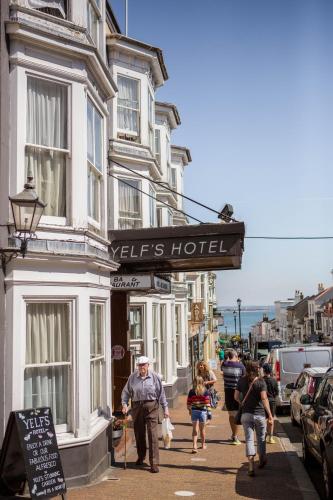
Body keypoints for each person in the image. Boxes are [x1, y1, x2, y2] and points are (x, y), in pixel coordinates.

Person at [121, 356, 169, 473]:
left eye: (144, 365)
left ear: (148, 365)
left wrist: (166, 408)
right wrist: (124, 404)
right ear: (137, 366)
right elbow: (126, 392)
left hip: (152, 407)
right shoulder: (132, 378)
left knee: (152, 435)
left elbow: (161, 394)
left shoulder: (155, 377)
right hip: (137, 407)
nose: (142, 367)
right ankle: (141, 456)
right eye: (140, 365)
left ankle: (154, 463)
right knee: (139, 433)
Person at [234, 361, 273, 476]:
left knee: (249, 439)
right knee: (261, 438)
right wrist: (270, 414)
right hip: (260, 414)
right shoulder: (261, 382)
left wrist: (242, 402)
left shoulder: (241, 381)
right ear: (257, 369)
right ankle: (261, 460)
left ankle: (251, 467)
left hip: (246, 414)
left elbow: (235, 396)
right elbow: (264, 399)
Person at [221, 349, 245, 444]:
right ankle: (235, 437)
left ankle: (233, 434)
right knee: (237, 414)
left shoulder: (224, 365)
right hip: (237, 392)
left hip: (227, 392)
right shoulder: (241, 366)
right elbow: (244, 379)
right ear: (236, 356)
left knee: (231, 414)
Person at [187, 376, 210, 453]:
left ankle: (194, 446)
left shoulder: (191, 391)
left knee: (194, 429)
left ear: (194, 382)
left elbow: (188, 403)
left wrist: (190, 410)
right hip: (203, 412)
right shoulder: (205, 391)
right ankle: (203, 445)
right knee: (202, 430)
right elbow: (207, 403)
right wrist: (209, 414)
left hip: (194, 411)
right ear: (202, 382)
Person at [262, 363, 278, 444]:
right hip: (272, 401)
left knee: (263, 418)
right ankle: (270, 437)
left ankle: (263, 435)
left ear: (263, 371)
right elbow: (277, 392)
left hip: (263, 401)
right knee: (271, 418)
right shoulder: (274, 380)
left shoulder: (261, 380)